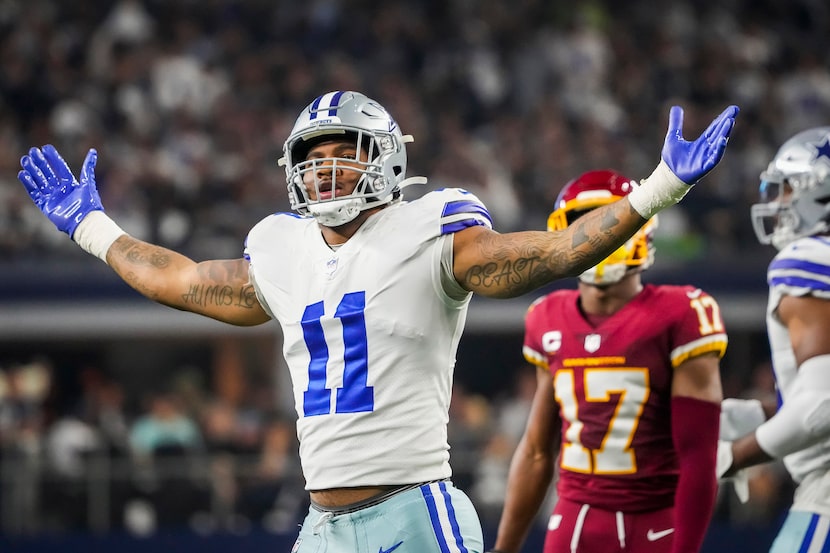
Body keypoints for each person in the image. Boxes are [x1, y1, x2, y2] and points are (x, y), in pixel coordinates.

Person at [17, 90, 738, 553]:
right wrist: (91, 226)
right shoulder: (280, 248)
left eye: (345, 153)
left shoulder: (431, 229)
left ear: (387, 161)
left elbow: (551, 251)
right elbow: (178, 279)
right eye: (314, 157)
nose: (327, 169)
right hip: (322, 523)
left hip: (414, 512)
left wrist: (658, 188)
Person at [485, 169, 727, 553]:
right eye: (581, 225)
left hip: (656, 518)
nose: (599, 236)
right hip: (576, 518)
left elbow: (698, 455)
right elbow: (536, 450)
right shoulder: (546, 317)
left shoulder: (680, 312)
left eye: (610, 221)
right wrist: (504, 548)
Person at [717, 126, 830, 552]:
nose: (775, 203)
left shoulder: (807, 259)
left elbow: (821, 408)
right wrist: (752, 416)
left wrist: (731, 457)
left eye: (784, 190)